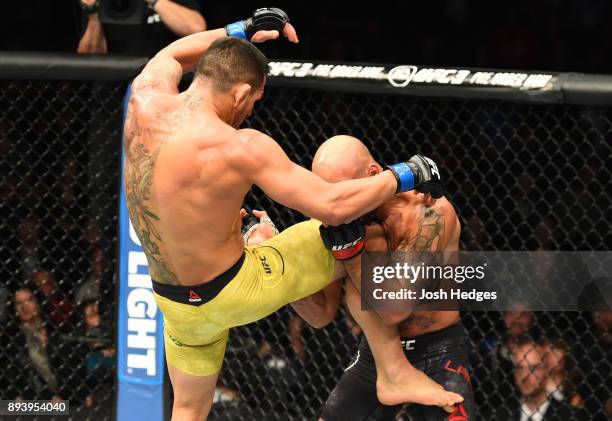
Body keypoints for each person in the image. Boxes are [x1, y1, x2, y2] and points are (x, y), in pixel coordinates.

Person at [124, 8, 456, 420]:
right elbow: (332, 205)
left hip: (173, 302)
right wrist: (406, 173)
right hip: (232, 291)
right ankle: (392, 371)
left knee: (188, 407)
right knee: (356, 227)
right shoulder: (239, 145)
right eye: (254, 101)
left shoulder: (145, 95)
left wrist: (241, 29)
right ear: (242, 93)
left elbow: (172, 54)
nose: (249, 112)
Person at [284, 135, 475, 420]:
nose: (335, 203)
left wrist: (353, 255)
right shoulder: (337, 215)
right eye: (327, 193)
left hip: (437, 350)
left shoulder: (429, 212)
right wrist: (286, 278)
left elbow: (394, 309)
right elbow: (321, 313)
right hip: (377, 356)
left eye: (342, 191)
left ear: (373, 174)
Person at [77, 0, 206, 56]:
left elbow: (196, 27)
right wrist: (93, 14)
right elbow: (90, 56)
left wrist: (155, 1)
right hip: (110, 95)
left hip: (160, 85)